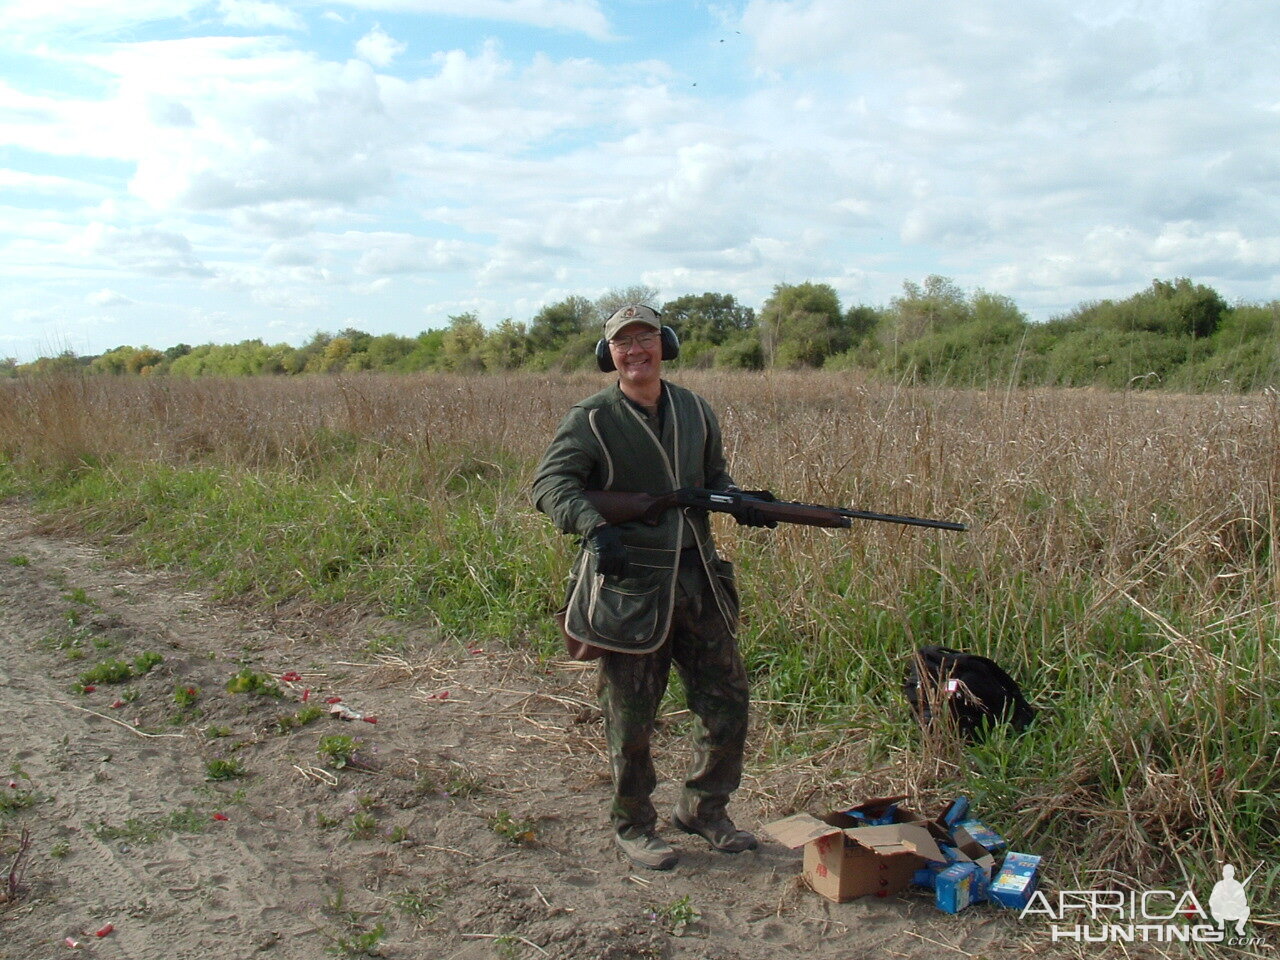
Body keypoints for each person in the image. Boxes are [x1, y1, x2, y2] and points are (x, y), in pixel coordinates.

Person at [532, 303, 770, 871]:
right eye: (622, 343)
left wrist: (742, 502)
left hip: (699, 580)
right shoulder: (592, 417)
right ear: (607, 354)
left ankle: (704, 810)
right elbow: (550, 485)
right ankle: (633, 823)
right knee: (632, 715)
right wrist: (594, 528)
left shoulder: (693, 408)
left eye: (645, 339)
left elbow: (713, 479)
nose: (635, 351)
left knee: (727, 700)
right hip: (630, 589)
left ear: (665, 344)